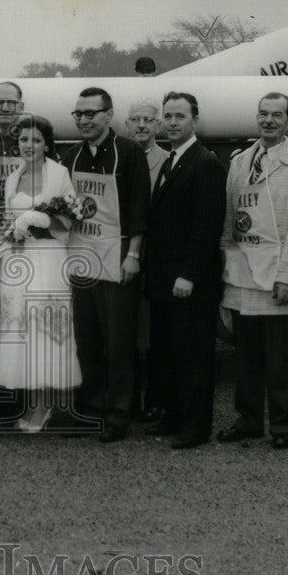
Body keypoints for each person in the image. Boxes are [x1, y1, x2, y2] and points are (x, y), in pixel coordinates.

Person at [217, 93, 288, 449]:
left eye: (277, 115)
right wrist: (226, 270)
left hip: (279, 276)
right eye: (263, 114)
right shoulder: (240, 161)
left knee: (282, 360)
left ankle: (283, 426)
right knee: (245, 358)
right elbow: (231, 223)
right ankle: (248, 420)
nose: (269, 121)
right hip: (244, 273)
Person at [64, 87, 150, 443]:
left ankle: (118, 413)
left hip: (117, 258)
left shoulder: (128, 153)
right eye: (79, 114)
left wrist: (134, 255)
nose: (84, 120)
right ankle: (91, 407)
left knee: (118, 340)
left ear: (109, 115)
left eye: (91, 113)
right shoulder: (70, 156)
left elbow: (139, 209)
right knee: (87, 337)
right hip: (83, 259)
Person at [144, 92, 226, 449]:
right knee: (169, 353)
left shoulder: (204, 162)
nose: (172, 122)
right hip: (164, 279)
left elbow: (206, 227)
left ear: (195, 120)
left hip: (189, 281)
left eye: (180, 116)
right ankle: (175, 415)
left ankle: (196, 427)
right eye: (168, 116)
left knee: (193, 356)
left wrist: (189, 275)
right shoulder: (171, 160)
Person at [0, 115, 82, 431]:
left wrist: (40, 222)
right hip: (19, 261)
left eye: (36, 140)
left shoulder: (58, 174)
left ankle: (45, 406)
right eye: (24, 140)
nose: (29, 145)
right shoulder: (12, 179)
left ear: (47, 144)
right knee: (21, 331)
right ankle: (31, 403)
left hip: (48, 260)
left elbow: (69, 221)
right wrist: (12, 232)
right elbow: (7, 220)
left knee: (45, 330)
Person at [124, 99, 168, 423]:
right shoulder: (121, 158)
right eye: (136, 120)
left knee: (154, 333)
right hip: (124, 255)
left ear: (158, 126)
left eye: (148, 120)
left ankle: (156, 398)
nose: (141, 125)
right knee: (128, 331)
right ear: (126, 125)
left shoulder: (167, 162)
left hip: (158, 258)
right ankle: (128, 400)